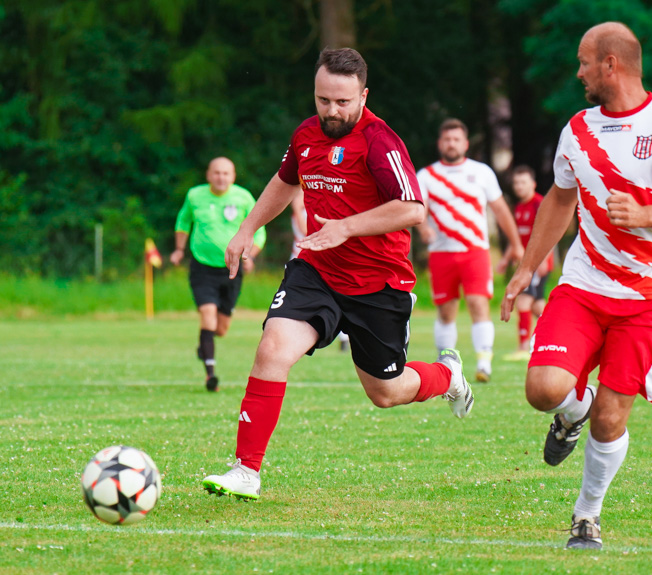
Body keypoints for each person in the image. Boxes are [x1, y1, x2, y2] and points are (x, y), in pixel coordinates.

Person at [202, 47, 475, 501]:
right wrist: (246, 228)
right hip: (317, 271)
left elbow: (411, 209)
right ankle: (246, 470)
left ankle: (447, 377)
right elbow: (285, 180)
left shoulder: (380, 142)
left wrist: (345, 228)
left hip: (379, 283)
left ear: (363, 95)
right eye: (323, 100)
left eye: (343, 102)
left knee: (386, 392)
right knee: (272, 349)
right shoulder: (307, 134)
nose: (332, 111)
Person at [500, 22, 652, 550]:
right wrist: (528, 267)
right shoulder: (577, 130)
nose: (577, 72)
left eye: (583, 62)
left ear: (610, 64)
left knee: (610, 418)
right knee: (544, 391)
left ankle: (586, 515)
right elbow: (559, 199)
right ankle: (570, 414)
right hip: (583, 284)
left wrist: (648, 214)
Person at [416, 119, 523, 383]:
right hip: (441, 253)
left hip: (474, 251)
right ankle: (446, 365)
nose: (451, 144)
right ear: (440, 144)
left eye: (456, 139)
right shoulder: (426, 175)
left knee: (478, 303)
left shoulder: (482, 172)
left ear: (465, 144)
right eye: (447, 139)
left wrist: (516, 244)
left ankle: (483, 363)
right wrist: (423, 230)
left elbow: (500, 209)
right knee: (445, 310)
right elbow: (418, 210)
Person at [170, 157, 266, 392]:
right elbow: (183, 222)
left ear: (233, 176)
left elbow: (259, 231)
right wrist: (179, 249)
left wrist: (250, 255)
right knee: (207, 316)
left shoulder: (243, 197)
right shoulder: (195, 196)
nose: (221, 177)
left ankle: (205, 344)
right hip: (201, 267)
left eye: (226, 173)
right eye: (216, 173)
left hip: (232, 269)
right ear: (208, 175)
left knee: (220, 329)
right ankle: (210, 376)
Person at [497, 165, 555, 362]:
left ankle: (523, 347)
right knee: (538, 306)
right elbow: (517, 239)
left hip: (536, 263)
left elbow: (550, 233)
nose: (519, 186)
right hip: (526, 264)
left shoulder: (540, 204)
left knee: (523, 301)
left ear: (533, 184)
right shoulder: (519, 207)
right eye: (516, 183)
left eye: (523, 182)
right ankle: (555, 335)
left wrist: (544, 259)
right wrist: (505, 259)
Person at [290, 187, 350, 351]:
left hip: (316, 262)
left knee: (335, 298)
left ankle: (343, 336)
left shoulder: (313, 212)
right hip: (299, 260)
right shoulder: (301, 213)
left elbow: (308, 232)